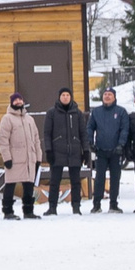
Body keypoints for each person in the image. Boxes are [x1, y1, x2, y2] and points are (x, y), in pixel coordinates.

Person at [42, 85, 91, 214]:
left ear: (71, 97)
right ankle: (52, 207)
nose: (65, 97)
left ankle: (76, 206)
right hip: (57, 152)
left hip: (74, 152)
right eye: (63, 95)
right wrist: (48, 150)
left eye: (67, 95)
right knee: (54, 181)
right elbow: (47, 134)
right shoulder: (51, 113)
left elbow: (83, 133)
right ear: (59, 97)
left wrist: (86, 150)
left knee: (76, 182)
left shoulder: (77, 113)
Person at [0, 94, 44, 218]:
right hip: (14, 159)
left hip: (29, 159)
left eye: (20, 99)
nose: (18, 101)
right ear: (11, 102)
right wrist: (7, 158)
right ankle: (8, 211)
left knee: (29, 186)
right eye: (15, 100)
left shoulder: (30, 119)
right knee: (10, 184)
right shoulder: (7, 119)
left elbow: (36, 139)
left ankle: (28, 211)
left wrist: (38, 157)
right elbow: (3, 140)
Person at [90, 85, 132, 211]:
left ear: (114, 97)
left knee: (115, 178)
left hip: (116, 151)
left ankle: (113, 204)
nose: (107, 96)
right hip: (101, 150)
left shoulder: (121, 112)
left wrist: (121, 144)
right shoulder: (96, 112)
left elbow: (125, 129)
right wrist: (90, 142)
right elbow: (90, 127)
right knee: (99, 178)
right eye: (105, 94)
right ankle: (96, 204)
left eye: (110, 95)